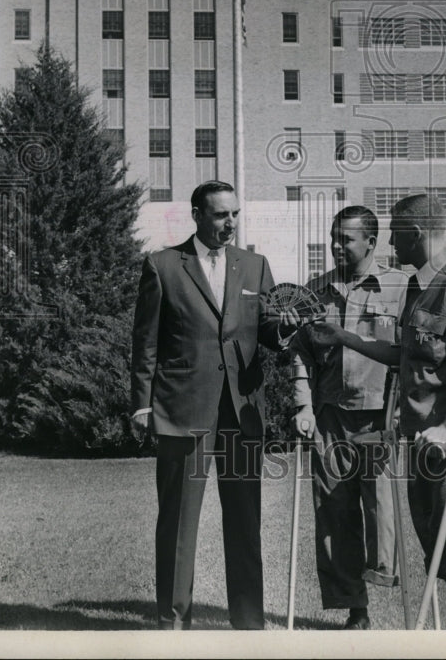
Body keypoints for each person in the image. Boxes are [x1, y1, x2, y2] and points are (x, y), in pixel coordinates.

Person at [310, 193, 446, 630]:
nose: (391, 243)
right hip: (420, 437)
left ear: (415, 233)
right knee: (440, 547)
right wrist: (345, 336)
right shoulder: (419, 287)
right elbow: (406, 356)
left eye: (395, 233)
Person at [130, 180, 298, 630]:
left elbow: (267, 329)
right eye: (222, 215)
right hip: (182, 411)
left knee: (246, 524)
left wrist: (284, 330)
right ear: (198, 215)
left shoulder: (255, 265)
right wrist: (142, 406)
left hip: (242, 415)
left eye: (235, 215)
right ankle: (172, 623)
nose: (231, 224)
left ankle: (248, 623)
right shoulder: (163, 265)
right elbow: (145, 343)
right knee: (179, 525)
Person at [291, 205, 408, 630]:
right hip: (329, 417)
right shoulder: (315, 290)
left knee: (381, 512)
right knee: (334, 514)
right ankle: (355, 607)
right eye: (333, 238)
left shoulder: (400, 287)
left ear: (371, 243)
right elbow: (300, 355)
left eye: (347, 239)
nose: (337, 246)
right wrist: (302, 406)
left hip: (379, 416)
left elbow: (409, 354)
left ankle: (384, 580)